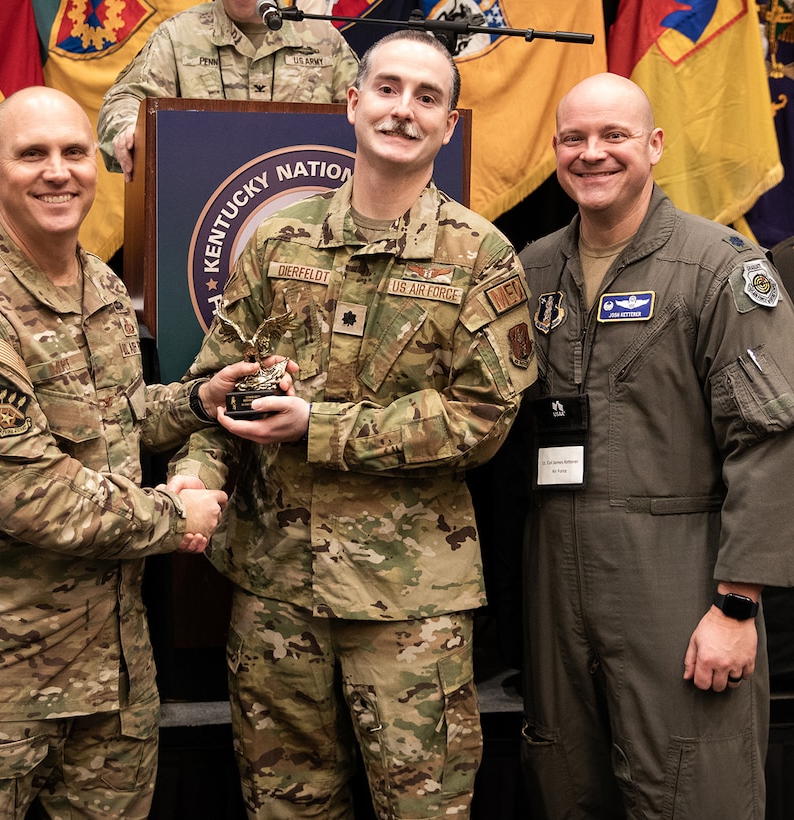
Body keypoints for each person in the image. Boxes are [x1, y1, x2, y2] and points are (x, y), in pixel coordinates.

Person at [166, 29, 537, 819]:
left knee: (424, 810)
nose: (403, 110)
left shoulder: (480, 257)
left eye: (426, 98)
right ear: (352, 101)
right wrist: (196, 471)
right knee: (284, 806)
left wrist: (318, 427)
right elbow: (219, 391)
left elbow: (481, 420)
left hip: (406, 606)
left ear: (448, 125)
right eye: (389, 89)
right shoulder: (277, 238)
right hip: (272, 595)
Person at [0, 86, 278, 818]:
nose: (57, 171)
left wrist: (196, 401)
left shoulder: (100, 284)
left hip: (113, 680)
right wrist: (175, 514)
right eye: (32, 154)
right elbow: (25, 494)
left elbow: (115, 421)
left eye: (72, 152)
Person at [516, 72, 794, 818]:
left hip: (675, 577)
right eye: (574, 138)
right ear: (554, 150)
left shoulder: (720, 269)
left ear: (652, 146)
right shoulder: (530, 269)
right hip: (555, 567)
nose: (592, 154)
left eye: (613, 136)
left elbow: (770, 441)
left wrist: (737, 605)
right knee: (565, 780)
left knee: (691, 787)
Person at [97, 0, 360, 181]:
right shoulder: (178, 35)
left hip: (304, 211)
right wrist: (130, 126)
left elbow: (365, 110)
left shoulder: (325, 41)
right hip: (201, 207)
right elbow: (125, 99)